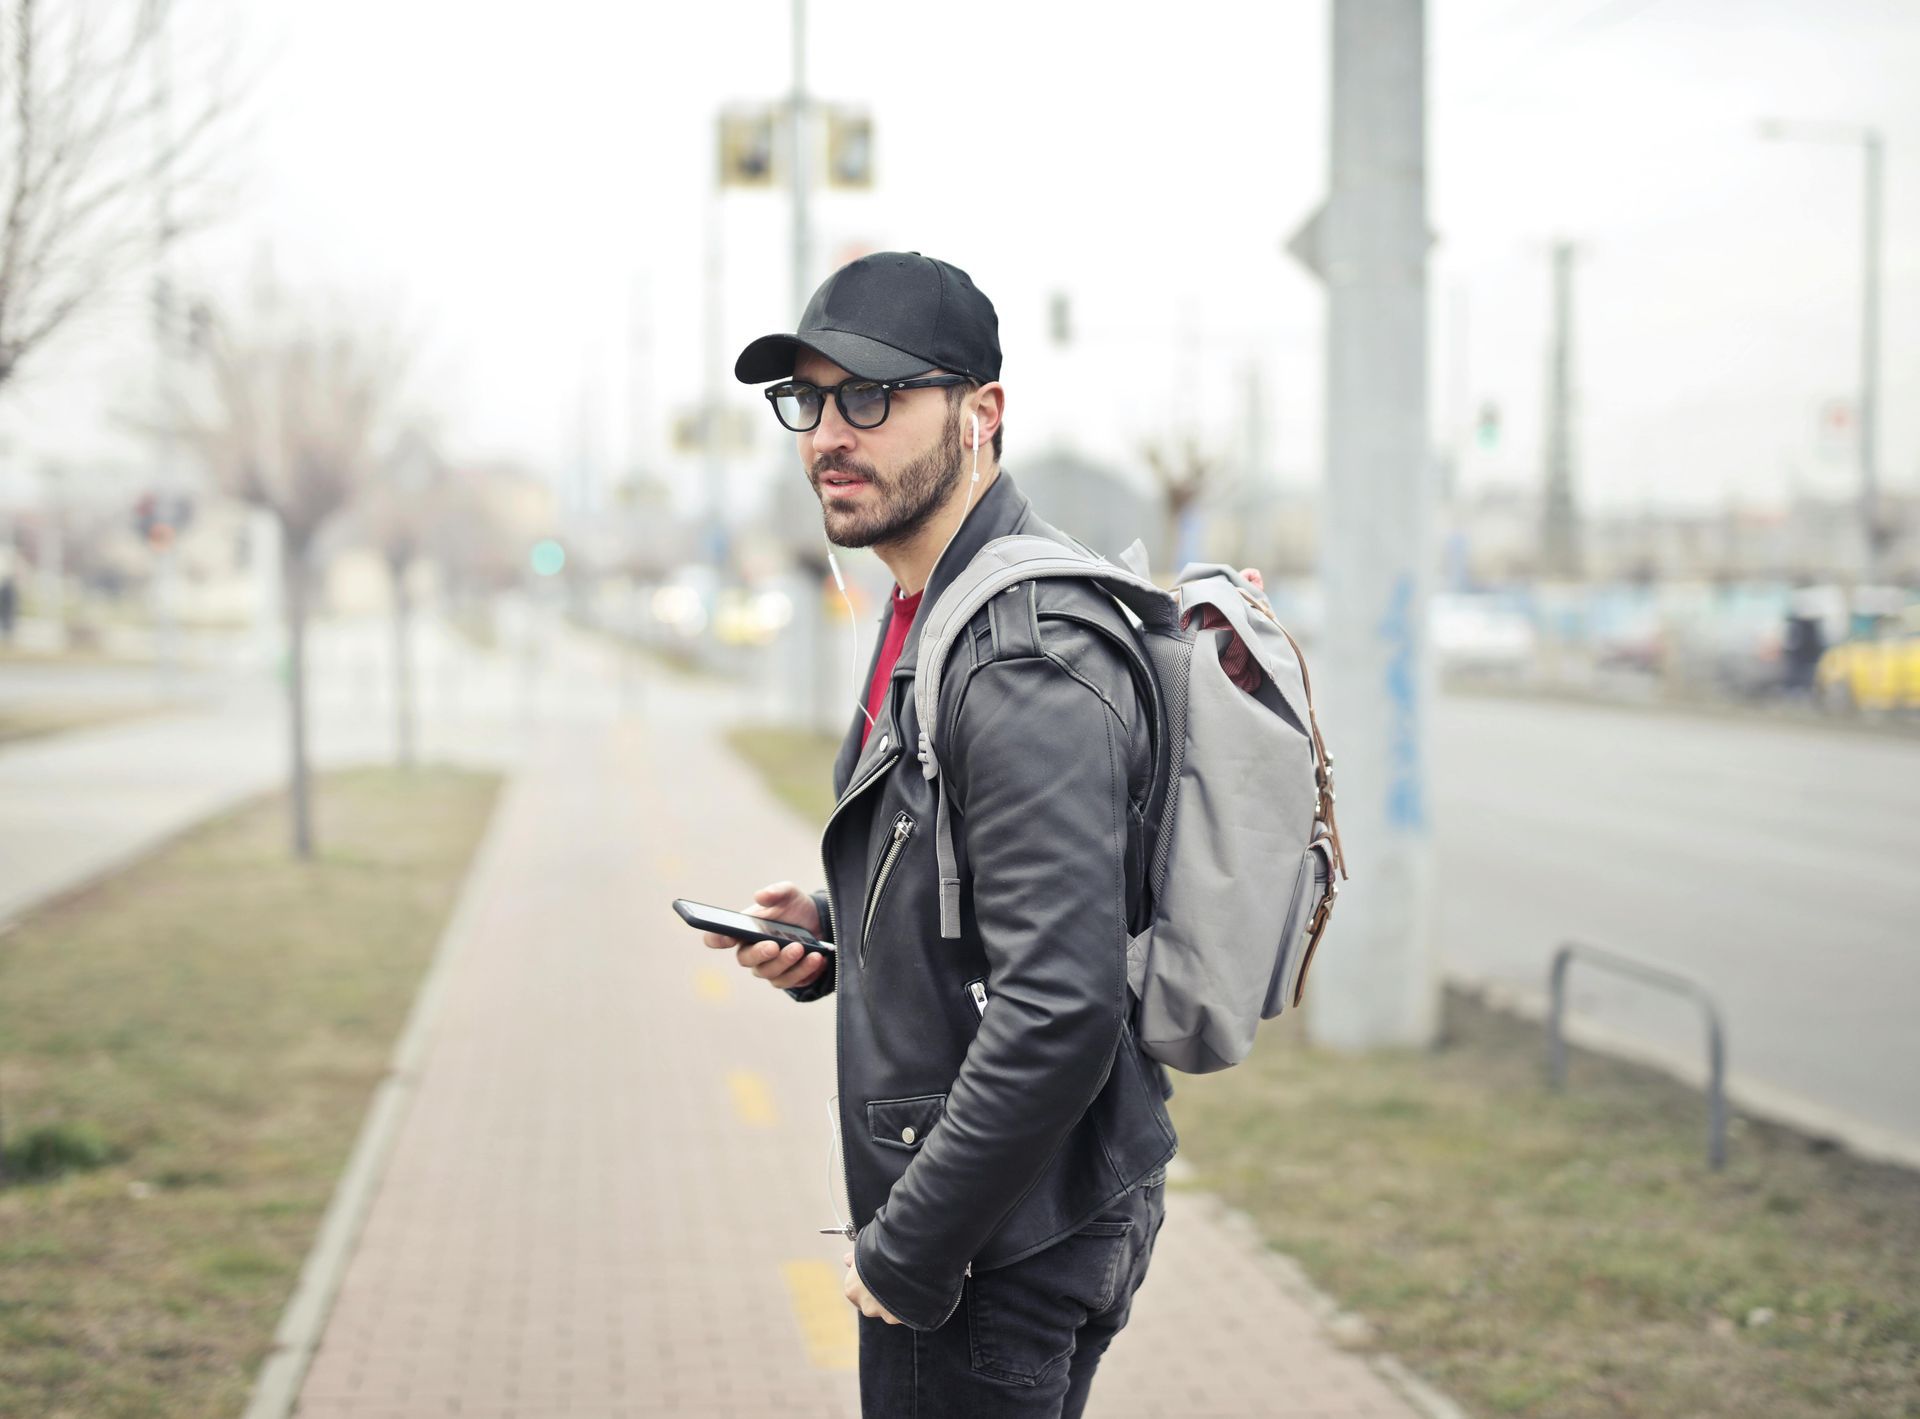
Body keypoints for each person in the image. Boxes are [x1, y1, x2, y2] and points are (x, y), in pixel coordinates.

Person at [698, 251, 1175, 1417]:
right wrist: (836, 938)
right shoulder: (932, 602)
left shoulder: (1017, 656)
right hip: (1002, 1212)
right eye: (807, 402)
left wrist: (908, 1250)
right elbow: (983, 896)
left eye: (872, 396)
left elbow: (1060, 1005)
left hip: (991, 1242)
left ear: (981, 413)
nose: (827, 436)